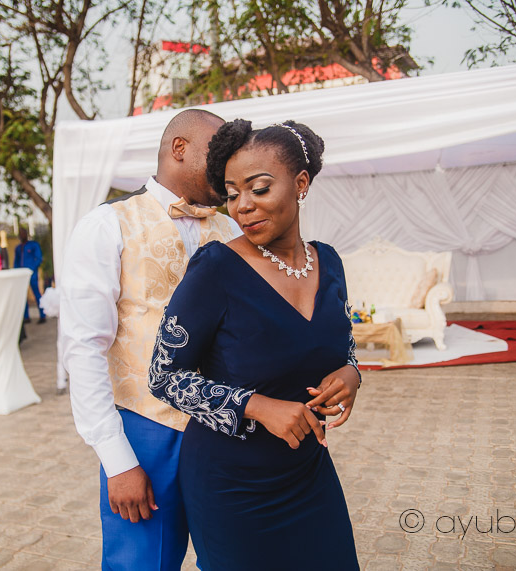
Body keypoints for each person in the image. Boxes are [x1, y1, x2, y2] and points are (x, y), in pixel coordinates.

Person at [148, 119, 360, 570]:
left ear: (300, 184)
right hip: (232, 488)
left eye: (259, 189)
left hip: (309, 473)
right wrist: (258, 406)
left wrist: (351, 372)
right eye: (232, 194)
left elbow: (344, 343)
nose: (243, 206)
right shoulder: (216, 269)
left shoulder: (329, 262)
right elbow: (163, 376)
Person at [60, 109, 241, 571]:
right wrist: (117, 460)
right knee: (144, 563)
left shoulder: (234, 230)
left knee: (234, 558)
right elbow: (84, 348)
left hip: (225, 429)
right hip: (146, 429)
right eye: (217, 154)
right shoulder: (107, 225)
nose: (228, 167)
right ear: (179, 149)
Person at [14, 228, 46, 324]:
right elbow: (16, 262)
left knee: (37, 294)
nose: (21, 235)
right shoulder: (18, 248)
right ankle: (26, 316)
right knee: (23, 296)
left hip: (32, 274)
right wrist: (17, 272)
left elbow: (39, 258)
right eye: (20, 234)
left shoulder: (33, 245)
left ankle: (42, 315)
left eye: (23, 233)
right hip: (22, 275)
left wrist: (31, 269)